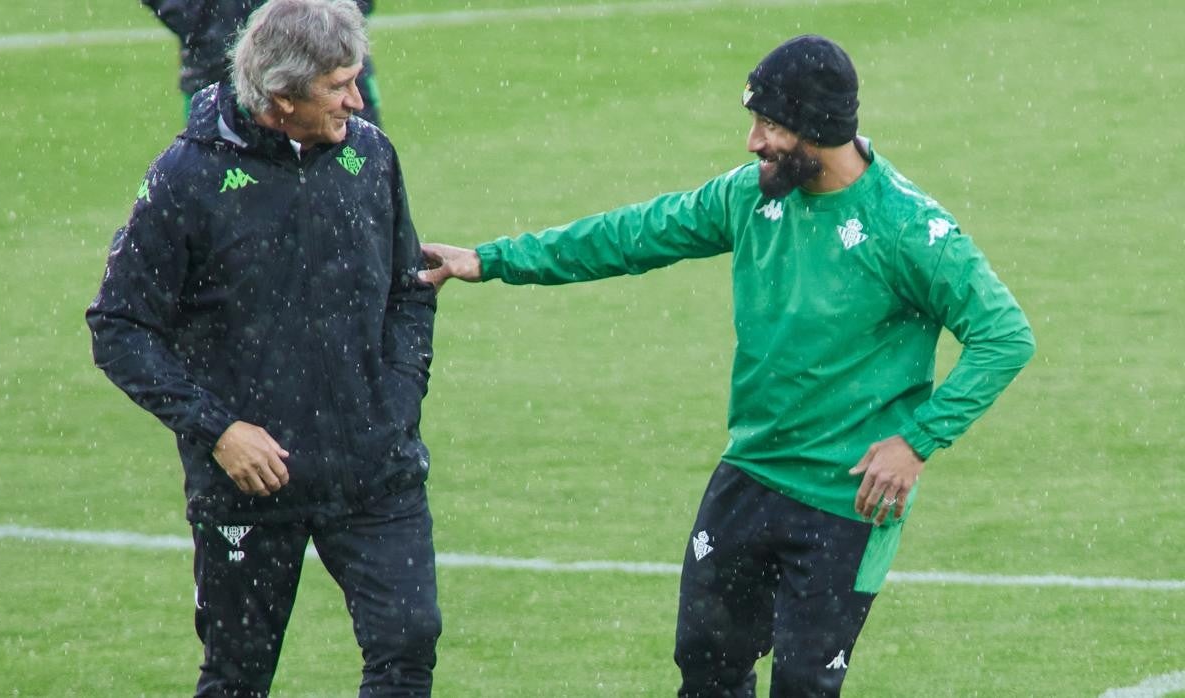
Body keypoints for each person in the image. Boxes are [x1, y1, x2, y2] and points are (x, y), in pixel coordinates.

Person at [419, 35, 1035, 697]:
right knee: (706, 669)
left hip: (846, 502)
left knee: (803, 685)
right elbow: (635, 234)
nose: (752, 143)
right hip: (749, 476)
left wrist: (917, 441)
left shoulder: (909, 228)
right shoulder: (751, 198)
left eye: (770, 126)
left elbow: (1005, 336)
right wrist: (492, 260)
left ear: (816, 129)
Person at [87, 1, 438, 695]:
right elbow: (119, 326)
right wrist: (218, 431)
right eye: (338, 86)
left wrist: (393, 405)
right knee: (237, 678)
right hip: (250, 485)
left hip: (374, 473)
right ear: (281, 98)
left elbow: (410, 291)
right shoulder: (186, 179)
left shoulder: (370, 153)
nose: (359, 99)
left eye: (356, 78)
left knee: (406, 649)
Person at [142, 0, 383, 125]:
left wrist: (342, 11)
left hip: (331, 60)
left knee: (358, 188)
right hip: (223, 69)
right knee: (224, 199)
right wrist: (205, 22)